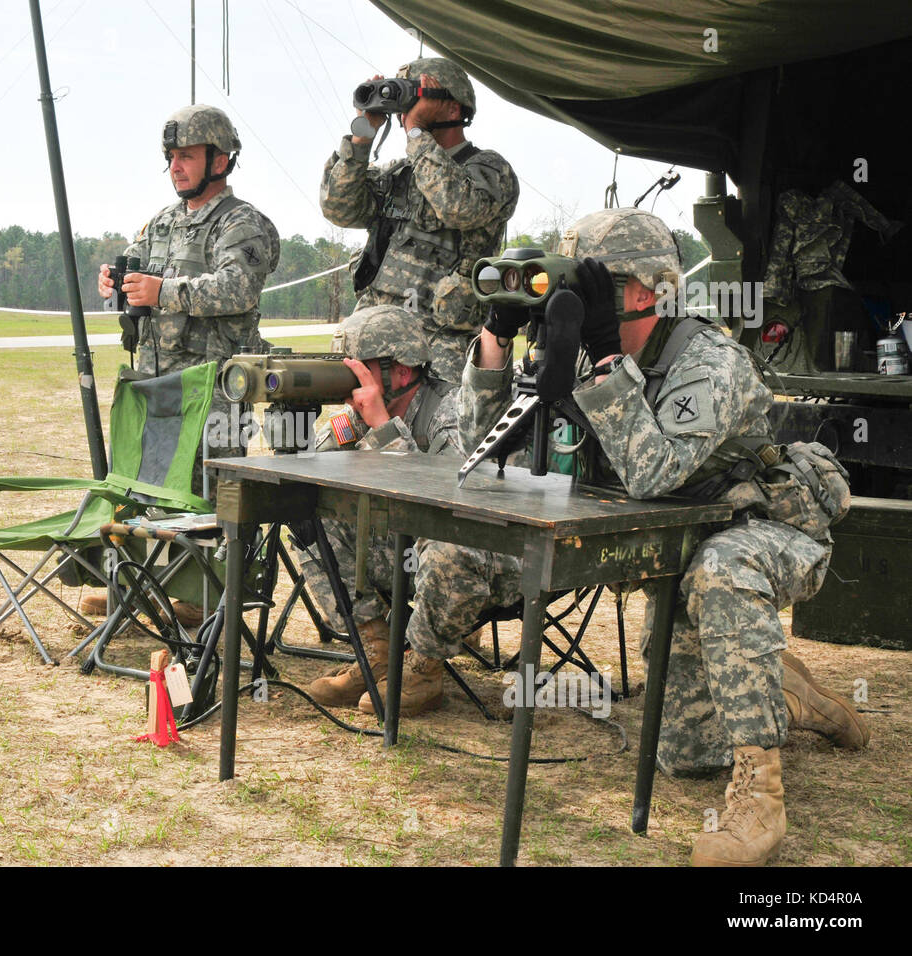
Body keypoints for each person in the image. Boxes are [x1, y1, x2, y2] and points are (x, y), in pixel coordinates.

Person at [395, 207, 869, 867]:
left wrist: (604, 360)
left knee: (722, 573)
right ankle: (783, 691)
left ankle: (760, 791)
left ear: (646, 290)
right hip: (654, 539)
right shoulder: (580, 347)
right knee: (685, 755)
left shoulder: (706, 359)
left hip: (752, 529)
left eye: (595, 283)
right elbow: (477, 452)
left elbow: (653, 472)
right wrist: (497, 341)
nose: (577, 297)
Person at [293, 305, 461, 707]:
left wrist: (384, 428)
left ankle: (425, 668)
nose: (349, 379)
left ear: (401, 371)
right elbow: (306, 468)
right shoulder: (358, 416)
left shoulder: (450, 409)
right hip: (395, 548)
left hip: (449, 554)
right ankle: (376, 650)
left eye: (360, 368)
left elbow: (453, 499)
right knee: (309, 522)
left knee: (444, 548)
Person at [98, 103, 280, 459]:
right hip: (154, 389)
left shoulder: (239, 223)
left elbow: (238, 289)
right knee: (153, 498)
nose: (175, 167)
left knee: (205, 506)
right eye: (170, 157)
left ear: (219, 162)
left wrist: (161, 292)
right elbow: (135, 263)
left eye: (186, 156)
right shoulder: (164, 221)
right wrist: (113, 281)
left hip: (210, 399)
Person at [321, 57, 519, 386]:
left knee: (437, 433)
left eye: (419, 95)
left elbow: (459, 207)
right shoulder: (399, 173)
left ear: (454, 109)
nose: (407, 108)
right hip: (376, 335)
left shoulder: (490, 171)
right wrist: (362, 134)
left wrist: (416, 131)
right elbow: (338, 208)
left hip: (441, 344)